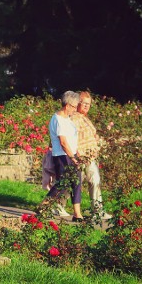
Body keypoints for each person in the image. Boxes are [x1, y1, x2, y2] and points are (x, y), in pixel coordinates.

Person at [43, 91, 84, 220]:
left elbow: (71, 140)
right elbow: (63, 142)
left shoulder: (67, 119)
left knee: (76, 182)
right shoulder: (58, 119)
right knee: (63, 183)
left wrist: (76, 154)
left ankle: (77, 214)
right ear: (68, 105)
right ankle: (43, 206)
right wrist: (72, 157)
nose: (75, 109)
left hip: (71, 154)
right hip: (62, 156)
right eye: (74, 106)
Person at [70, 91, 111, 220]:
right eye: (84, 103)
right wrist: (77, 154)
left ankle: (97, 210)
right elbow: (71, 137)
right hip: (80, 156)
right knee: (75, 183)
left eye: (89, 104)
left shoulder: (85, 118)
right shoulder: (74, 118)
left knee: (94, 180)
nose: (87, 106)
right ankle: (57, 205)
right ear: (78, 103)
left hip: (90, 157)